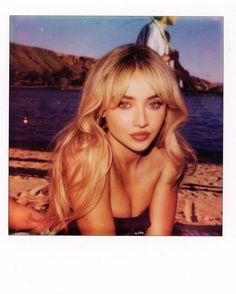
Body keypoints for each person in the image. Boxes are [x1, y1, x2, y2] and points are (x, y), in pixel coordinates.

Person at [9, 44, 197, 236]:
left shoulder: (168, 162)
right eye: (124, 104)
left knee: (35, 218)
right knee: (32, 220)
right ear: (101, 109)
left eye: (154, 104)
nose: (142, 121)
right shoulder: (86, 159)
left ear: (167, 108)